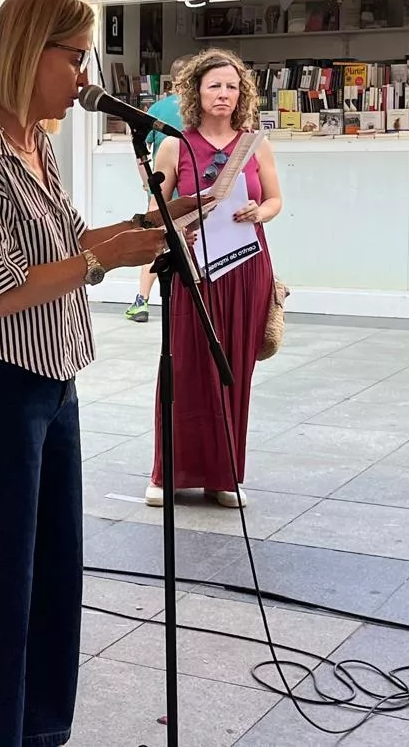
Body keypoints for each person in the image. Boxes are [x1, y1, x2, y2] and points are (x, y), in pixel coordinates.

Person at [0, 0, 213, 747]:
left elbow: (72, 240)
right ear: (27, 52)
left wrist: (156, 221)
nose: (85, 77)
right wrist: (98, 258)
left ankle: (40, 735)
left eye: (87, 59)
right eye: (74, 57)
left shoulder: (34, 143)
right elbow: (4, 290)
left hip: (52, 383)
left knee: (53, 581)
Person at [145, 48, 283, 509]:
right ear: (196, 91)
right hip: (194, 269)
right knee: (183, 367)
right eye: (214, 86)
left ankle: (223, 475)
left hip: (247, 265)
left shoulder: (255, 144)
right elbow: (154, 211)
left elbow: (275, 200)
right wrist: (179, 221)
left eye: (231, 86)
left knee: (234, 372)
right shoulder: (173, 145)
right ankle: (168, 474)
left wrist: (258, 211)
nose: (223, 94)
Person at [126, 55, 191, 323]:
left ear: (172, 79)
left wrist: (148, 184)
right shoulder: (200, 108)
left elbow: (141, 149)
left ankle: (141, 301)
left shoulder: (158, 108)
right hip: (189, 186)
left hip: (162, 187)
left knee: (153, 242)